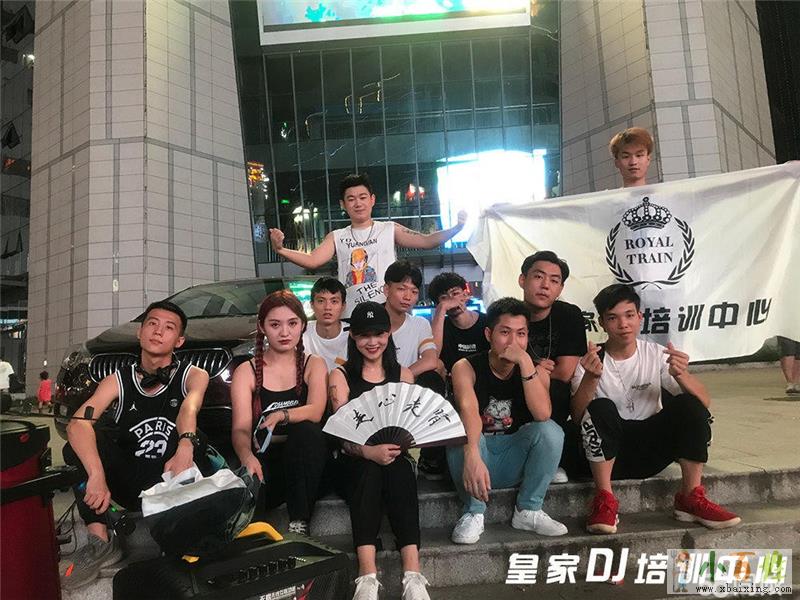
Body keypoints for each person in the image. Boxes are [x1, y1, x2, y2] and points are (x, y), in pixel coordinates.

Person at [570, 284, 741, 534]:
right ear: (602, 323)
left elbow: (703, 402)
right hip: (606, 456)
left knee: (689, 404)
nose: (623, 324)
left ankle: (691, 497)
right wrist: (591, 378)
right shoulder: (590, 361)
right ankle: (604, 499)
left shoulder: (657, 354)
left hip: (650, 451)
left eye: (629, 315)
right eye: (613, 318)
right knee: (600, 408)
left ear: (640, 317)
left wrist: (681, 375)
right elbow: (577, 417)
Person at [61, 301, 210, 590]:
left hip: (170, 475)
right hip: (128, 481)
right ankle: (100, 541)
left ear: (179, 341)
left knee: (198, 440)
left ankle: (176, 541)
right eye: (152, 324)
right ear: (140, 332)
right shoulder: (116, 380)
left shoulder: (194, 375)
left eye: (169, 327)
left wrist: (186, 444)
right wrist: (96, 474)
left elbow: (189, 409)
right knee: (78, 444)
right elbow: (77, 423)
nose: (158, 331)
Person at [327, 301, 430, 600]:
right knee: (369, 468)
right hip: (353, 461)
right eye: (364, 335)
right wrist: (369, 452)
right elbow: (341, 433)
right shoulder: (340, 376)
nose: (372, 342)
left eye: (379, 334)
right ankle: (367, 576)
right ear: (353, 337)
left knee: (399, 468)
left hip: (395, 459)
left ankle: (413, 575)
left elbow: (411, 425)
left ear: (388, 334)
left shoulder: (404, 375)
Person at [447, 297, 567, 545]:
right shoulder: (465, 367)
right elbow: (469, 411)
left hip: (512, 457)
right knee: (462, 432)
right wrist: (473, 455)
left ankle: (528, 510)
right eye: (505, 332)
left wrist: (525, 362)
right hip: (476, 456)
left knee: (551, 431)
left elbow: (542, 415)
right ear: (489, 334)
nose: (513, 342)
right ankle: (474, 513)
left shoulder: (534, 370)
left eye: (521, 334)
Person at [269, 173, 466, 315]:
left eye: (363, 197)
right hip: (351, 315)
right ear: (343, 204)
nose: (358, 203)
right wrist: (280, 249)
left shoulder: (389, 229)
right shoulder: (337, 236)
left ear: (372, 200)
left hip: (388, 312)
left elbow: (426, 240)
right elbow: (313, 260)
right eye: (351, 199)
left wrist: (457, 228)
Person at [230, 290, 329, 536]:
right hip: (269, 461)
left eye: (292, 323)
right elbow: (241, 428)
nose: (285, 332)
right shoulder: (246, 371)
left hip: (309, 463)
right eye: (275, 325)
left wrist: (281, 415)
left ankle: (299, 523)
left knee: (305, 431)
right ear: (262, 327)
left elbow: (316, 411)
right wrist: (246, 456)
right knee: (252, 478)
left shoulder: (314, 364)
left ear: (303, 326)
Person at [519, 251, 587, 482]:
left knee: (556, 387)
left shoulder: (569, 315)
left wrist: (531, 371)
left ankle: (550, 459)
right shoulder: (510, 314)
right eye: (538, 277)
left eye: (554, 281)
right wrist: (534, 368)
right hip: (517, 387)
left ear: (560, 289)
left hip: (552, 393)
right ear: (522, 280)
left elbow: (565, 372)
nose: (545, 285)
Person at [383, 260, 447, 480]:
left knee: (433, 379)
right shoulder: (372, 320)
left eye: (413, 291)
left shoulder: (419, 324)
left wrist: (403, 375)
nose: (408, 296)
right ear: (386, 289)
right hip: (375, 389)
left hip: (407, 390)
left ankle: (431, 457)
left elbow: (430, 359)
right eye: (401, 288)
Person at [428, 272, 489, 375]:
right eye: (444, 298)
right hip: (451, 378)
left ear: (465, 295)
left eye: (455, 294)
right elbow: (431, 357)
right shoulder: (439, 327)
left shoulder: (487, 321)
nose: (451, 300)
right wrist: (441, 309)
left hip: (483, 376)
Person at [303, 277, 349, 372]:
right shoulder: (302, 332)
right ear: (312, 305)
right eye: (321, 301)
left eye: (334, 301)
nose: (327, 307)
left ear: (343, 306)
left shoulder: (353, 334)